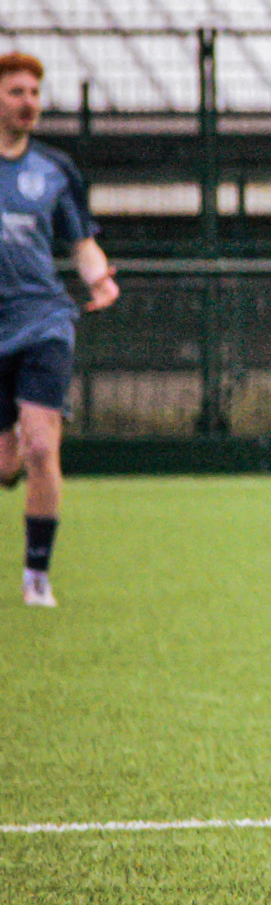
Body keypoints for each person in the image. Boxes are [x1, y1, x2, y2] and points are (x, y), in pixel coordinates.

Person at [0, 53, 118, 607]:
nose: (29, 102)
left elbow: (81, 241)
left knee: (42, 447)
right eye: (17, 91)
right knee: (7, 464)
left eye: (34, 93)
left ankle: (36, 576)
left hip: (43, 319)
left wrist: (99, 279)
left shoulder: (55, 170)